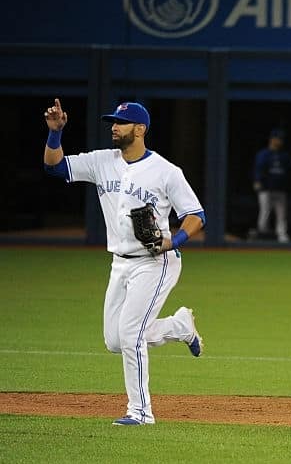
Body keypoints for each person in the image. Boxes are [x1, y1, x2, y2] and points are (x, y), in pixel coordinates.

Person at [42, 99, 206, 426]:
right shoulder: (103, 161)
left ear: (140, 129)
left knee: (130, 334)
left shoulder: (166, 171)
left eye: (121, 122)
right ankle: (179, 326)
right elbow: (55, 167)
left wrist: (174, 240)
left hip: (155, 262)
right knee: (115, 340)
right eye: (113, 122)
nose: (114, 127)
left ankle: (141, 412)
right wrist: (55, 134)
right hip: (120, 263)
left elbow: (195, 215)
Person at [252, 128, 291, 243]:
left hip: (280, 189)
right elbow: (258, 168)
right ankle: (261, 234)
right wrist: (257, 181)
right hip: (266, 189)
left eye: (281, 139)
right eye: (278, 139)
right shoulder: (264, 154)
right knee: (265, 212)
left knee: (281, 214)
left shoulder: (284, 155)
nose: (280, 141)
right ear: (272, 139)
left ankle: (282, 235)